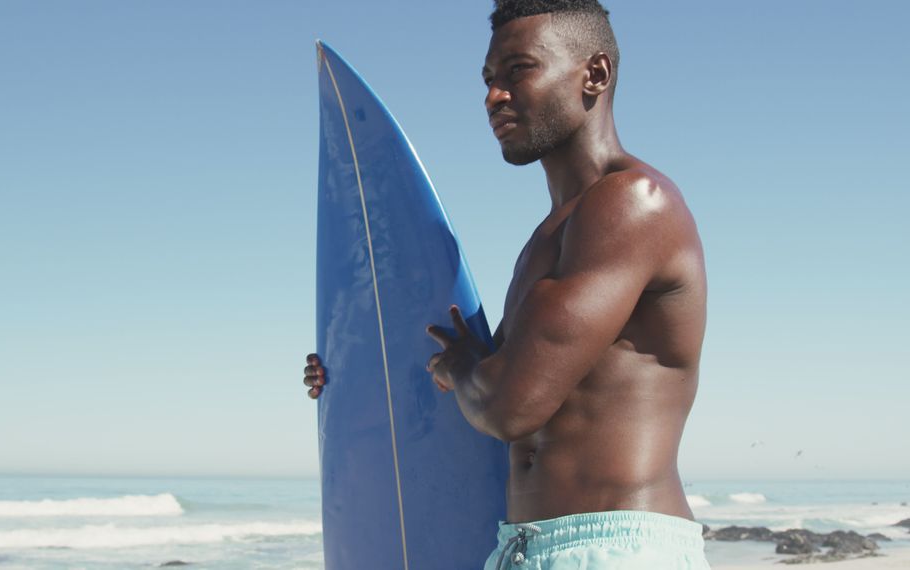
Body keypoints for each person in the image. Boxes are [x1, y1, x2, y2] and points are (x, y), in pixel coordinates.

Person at [304, 1, 710, 568]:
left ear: (594, 75)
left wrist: (466, 368)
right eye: (490, 80)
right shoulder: (551, 239)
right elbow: (476, 387)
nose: (494, 97)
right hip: (521, 547)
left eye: (519, 71)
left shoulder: (633, 205)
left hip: (614, 546)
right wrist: (355, 379)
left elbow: (507, 407)